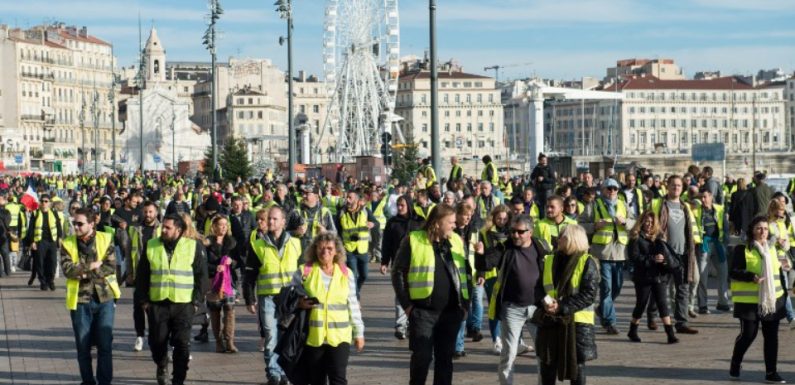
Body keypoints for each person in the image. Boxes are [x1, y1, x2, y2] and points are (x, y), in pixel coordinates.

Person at [392, 204, 470, 385]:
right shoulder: (413, 240)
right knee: (422, 358)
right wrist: (408, 306)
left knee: (445, 361)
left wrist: (465, 305)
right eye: (450, 222)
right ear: (437, 223)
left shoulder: (457, 240)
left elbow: (466, 273)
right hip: (423, 311)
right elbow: (397, 272)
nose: (454, 225)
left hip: (451, 312)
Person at [135, 213, 207, 385]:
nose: (163, 230)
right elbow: (142, 275)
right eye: (163, 227)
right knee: (157, 343)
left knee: (182, 344)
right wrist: (144, 301)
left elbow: (201, 276)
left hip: (184, 304)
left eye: (168, 227)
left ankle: (178, 380)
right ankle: (161, 364)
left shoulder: (193, 246)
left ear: (179, 230)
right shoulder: (151, 245)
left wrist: (196, 301)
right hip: (158, 303)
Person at [290, 233, 365, 385]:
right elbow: (289, 297)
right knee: (317, 380)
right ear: (314, 249)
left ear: (337, 251)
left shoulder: (346, 273)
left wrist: (359, 333)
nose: (325, 252)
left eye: (330, 248)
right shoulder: (305, 271)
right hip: (313, 337)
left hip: (340, 337)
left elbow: (353, 305)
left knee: (338, 378)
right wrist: (299, 303)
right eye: (321, 248)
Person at [482, 214, 549, 385]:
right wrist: (480, 254)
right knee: (509, 354)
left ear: (530, 232)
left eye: (520, 232)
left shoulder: (541, 246)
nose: (515, 235)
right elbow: (486, 264)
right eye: (512, 231)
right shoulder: (505, 248)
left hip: (537, 307)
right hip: (512, 308)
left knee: (544, 352)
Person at [61, 208, 121, 385]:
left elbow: (110, 267)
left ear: (92, 223)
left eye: (80, 224)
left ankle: (104, 381)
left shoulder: (105, 238)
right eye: (74, 223)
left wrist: (82, 271)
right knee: (83, 346)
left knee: (105, 345)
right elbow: (68, 270)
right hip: (80, 300)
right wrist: (92, 266)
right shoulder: (67, 243)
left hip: (104, 298)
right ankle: (87, 381)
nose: (76, 227)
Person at [244, 206, 302, 385]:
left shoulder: (296, 243)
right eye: (269, 219)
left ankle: (285, 372)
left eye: (275, 219)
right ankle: (273, 373)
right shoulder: (258, 245)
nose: (270, 222)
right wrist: (249, 298)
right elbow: (249, 275)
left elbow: (304, 272)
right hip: (268, 296)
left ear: (284, 222)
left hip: (290, 298)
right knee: (270, 335)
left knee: (287, 336)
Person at [535, 224, 598, 385]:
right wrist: (545, 302)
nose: (558, 239)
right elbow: (538, 287)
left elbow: (588, 294)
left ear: (571, 239)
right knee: (547, 363)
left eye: (562, 236)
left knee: (576, 366)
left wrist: (561, 306)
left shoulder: (587, 262)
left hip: (577, 323)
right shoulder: (549, 259)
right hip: (550, 318)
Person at [729, 216, 788, 383]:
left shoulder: (772, 249)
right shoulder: (743, 249)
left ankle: (771, 373)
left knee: (771, 337)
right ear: (752, 230)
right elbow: (733, 272)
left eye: (766, 229)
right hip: (748, 302)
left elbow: (778, 274)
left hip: (772, 301)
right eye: (759, 228)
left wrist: (784, 295)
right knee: (748, 335)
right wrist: (750, 277)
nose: (763, 232)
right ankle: (736, 362)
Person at [651, 175, 699, 335]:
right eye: (673, 185)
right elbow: (649, 224)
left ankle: (681, 322)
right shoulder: (659, 204)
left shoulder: (685, 207)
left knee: (683, 288)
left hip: (683, 254)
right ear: (667, 186)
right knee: (659, 287)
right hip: (664, 253)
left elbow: (691, 230)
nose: (676, 188)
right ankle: (652, 316)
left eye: (679, 185)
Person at [584, 178, 631, 335]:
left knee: (617, 287)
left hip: (619, 253)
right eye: (608, 188)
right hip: (602, 252)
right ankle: (610, 322)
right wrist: (594, 226)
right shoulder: (594, 205)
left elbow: (636, 222)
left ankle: (602, 309)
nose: (612, 191)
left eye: (615, 189)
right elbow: (580, 224)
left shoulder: (623, 205)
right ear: (602, 190)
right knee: (607, 288)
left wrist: (625, 223)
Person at [626, 211, 679, 344]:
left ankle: (670, 334)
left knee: (663, 304)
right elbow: (635, 258)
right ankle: (632, 330)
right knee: (641, 304)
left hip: (659, 276)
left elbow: (666, 254)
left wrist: (664, 260)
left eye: (651, 222)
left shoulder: (659, 237)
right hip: (643, 277)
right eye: (646, 222)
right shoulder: (635, 238)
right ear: (641, 222)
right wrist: (652, 259)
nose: (649, 225)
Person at [380, 195, 421, 340]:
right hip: (398, 265)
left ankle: (413, 323)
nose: (399, 208)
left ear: (409, 205)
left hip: (417, 264)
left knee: (416, 294)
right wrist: (384, 262)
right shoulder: (392, 223)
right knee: (400, 293)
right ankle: (400, 325)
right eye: (398, 205)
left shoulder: (419, 222)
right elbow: (386, 243)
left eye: (402, 205)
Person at [127, 201, 161, 352]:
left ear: (156, 212)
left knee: (155, 309)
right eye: (146, 212)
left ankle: (155, 337)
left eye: (151, 212)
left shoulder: (162, 229)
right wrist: (129, 272)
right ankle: (139, 336)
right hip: (139, 274)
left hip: (156, 275)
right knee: (138, 307)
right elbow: (129, 252)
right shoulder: (134, 230)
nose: (148, 215)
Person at [204, 215, 240, 353]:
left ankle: (230, 341)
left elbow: (239, 261)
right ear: (214, 226)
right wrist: (215, 268)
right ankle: (219, 342)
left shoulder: (232, 242)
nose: (224, 227)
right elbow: (202, 263)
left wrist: (233, 262)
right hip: (213, 282)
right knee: (215, 312)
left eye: (226, 224)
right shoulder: (207, 243)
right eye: (221, 224)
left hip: (229, 282)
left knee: (230, 310)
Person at [692, 189, 730, 313]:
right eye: (701, 197)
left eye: (705, 197)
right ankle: (702, 305)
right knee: (703, 276)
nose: (703, 200)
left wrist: (725, 243)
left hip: (718, 244)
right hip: (705, 244)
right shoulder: (696, 210)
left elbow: (725, 227)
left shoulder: (719, 209)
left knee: (723, 273)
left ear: (711, 196)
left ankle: (723, 303)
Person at [336, 190, 377, 297]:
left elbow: (376, 222)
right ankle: (356, 298)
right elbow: (337, 231)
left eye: (350, 198)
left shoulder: (365, 211)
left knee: (364, 276)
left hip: (363, 249)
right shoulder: (341, 212)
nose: (347, 200)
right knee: (352, 275)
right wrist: (340, 247)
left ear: (357, 200)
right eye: (346, 198)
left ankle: (356, 290)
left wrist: (372, 224)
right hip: (349, 249)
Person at [26, 193, 63, 291]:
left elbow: (59, 226)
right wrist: (32, 242)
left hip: (52, 241)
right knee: (40, 263)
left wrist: (59, 237)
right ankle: (43, 282)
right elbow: (30, 229)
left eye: (46, 201)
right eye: (42, 201)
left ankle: (50, 280)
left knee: (52, 262)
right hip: (40, 241)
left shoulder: (54, 213)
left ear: (50, 203)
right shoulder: (35, 213)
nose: (44, 203)